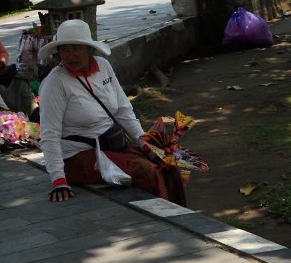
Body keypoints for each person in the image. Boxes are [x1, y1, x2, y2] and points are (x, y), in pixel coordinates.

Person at [38, 19, 186, 206]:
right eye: (64, 49)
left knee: (169, 159)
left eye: (76, 48)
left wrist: (145, 143)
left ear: (89, 49)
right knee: (146, 170)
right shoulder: (55, 83)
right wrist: (58, 180)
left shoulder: (103, 66)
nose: (70, 55)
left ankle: (182, 215)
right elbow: (49, 135)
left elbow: (124, 110)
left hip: (112, 144)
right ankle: (166, 220)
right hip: (78, 157)